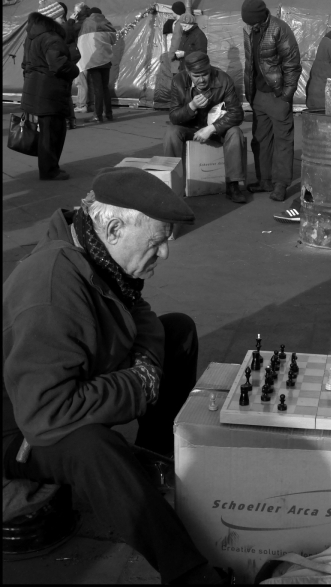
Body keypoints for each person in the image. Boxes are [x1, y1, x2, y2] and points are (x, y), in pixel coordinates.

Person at [2, 167, 229, 585]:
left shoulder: (96, 250)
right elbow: (46, 412)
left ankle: (151, 459)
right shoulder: (51, 288)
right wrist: (141, 383)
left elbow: (139, 314)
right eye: (158, 242)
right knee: (95, 448)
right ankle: (188, 573)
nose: (164, 254)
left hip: (70, 385)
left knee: (177, 330)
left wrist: (145, 364)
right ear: (113, 226)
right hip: (20, 430)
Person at [163, 51, 246, 204]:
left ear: (210, 70)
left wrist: (211, 128)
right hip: (190, 127)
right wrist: (191, 106)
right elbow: (174, 117)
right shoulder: (178, 81)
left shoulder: (223, 79)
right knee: (172, 132)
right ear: (188, 73)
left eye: (205, 74)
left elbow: (237, 114)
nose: (201, 80)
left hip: (216, 128)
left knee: (235, 132)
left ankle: (233, 185)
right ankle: (171, 181)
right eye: (196, 76)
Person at [241, 0, 301, 202]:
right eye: (247, 23)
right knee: (260, 140)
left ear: (261, 17)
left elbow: (292, 64)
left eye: (252, 22)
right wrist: (250, 93)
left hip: (278, 95)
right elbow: (250, 62)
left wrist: (286, 95)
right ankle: (264, 180)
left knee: (283, 141)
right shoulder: (249, 29)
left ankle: (280, 184)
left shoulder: (279, 29)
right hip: (257, 92)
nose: (249, 26)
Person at [20, 0, 79, 181]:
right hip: (50, 91)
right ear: (55, 17)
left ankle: (48, 168)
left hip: (35, 87)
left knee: (46, 131)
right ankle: (49, 170)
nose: (64, 20)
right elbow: (58, 65)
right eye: (62, 17)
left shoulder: (32, 36)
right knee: (53, 132)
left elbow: (25, 64)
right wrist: (75, 69)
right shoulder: (51, 37)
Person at [78, 7, 116, 123]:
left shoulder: (87, 23)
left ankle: (97, 115)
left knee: (97, 89)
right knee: (105, 87)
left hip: (94, 60)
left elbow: (82, 40)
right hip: (106, 59)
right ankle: (109, 114)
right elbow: (113, 40)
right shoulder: (107, 23)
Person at [54, 2, 79, 130]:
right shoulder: (66, 25)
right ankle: (69, 120)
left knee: (64, 92)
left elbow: (66, 40)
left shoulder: (65, 26)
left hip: (65, 61)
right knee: (66, 92)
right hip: (67, 61)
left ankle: (69, 120)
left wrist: (70, 21)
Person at [68, 2, 91, 114]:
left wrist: (70, 20)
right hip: (86, 54)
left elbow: (68, 31)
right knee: (84, 80)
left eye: (76, 11)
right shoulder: (88, 22)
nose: (74, 13)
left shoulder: (80, 24)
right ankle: (86, 103)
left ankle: (82, 105)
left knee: (80, 81)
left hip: (80, 55)